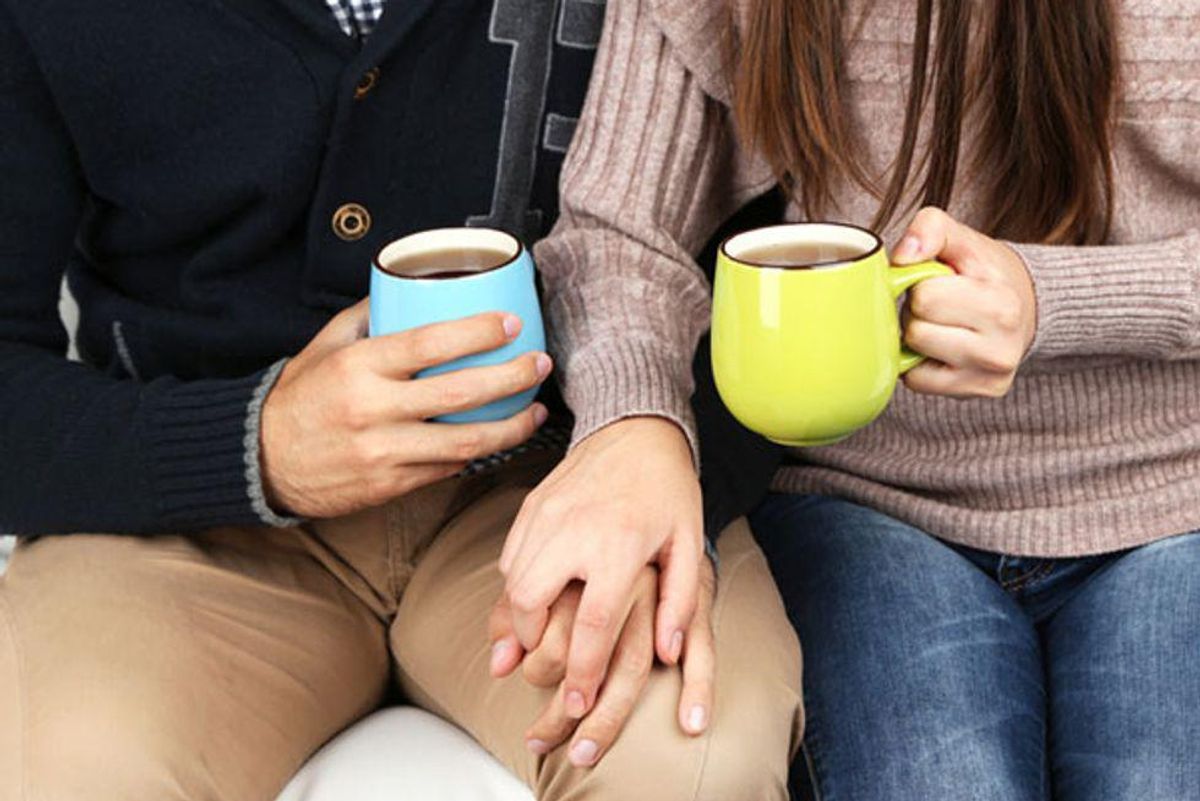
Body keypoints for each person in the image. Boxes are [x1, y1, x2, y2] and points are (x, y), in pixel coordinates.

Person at [0, 1, 802, 799]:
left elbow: (794, 246)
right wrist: (255, 447)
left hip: (567, 489)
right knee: (67, 773)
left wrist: (659, 463)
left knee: (694, 765)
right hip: (181, 519)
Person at [534, 0, 1200, 799]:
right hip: (864, 499)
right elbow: (618, 230)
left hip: (1178, 493)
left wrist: (1058, 299)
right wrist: (636, 421)